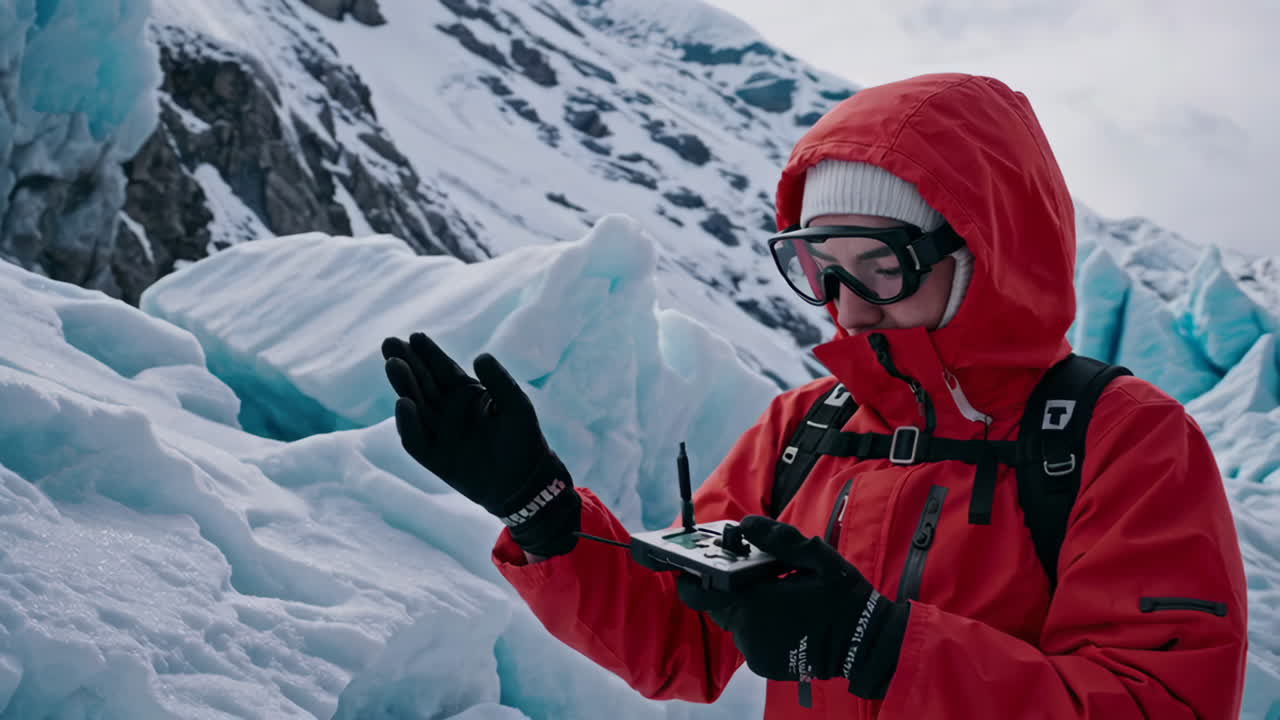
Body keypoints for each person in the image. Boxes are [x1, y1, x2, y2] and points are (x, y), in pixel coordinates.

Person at [381, 73, 1248, 718]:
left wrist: (879, 645)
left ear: (988, 251)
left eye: (885, 267)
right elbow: (684, 640)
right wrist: (543, 514)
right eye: (824, 273)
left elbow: (1161, 702)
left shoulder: (1123, 442)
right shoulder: (807, 428)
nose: (853, 309)